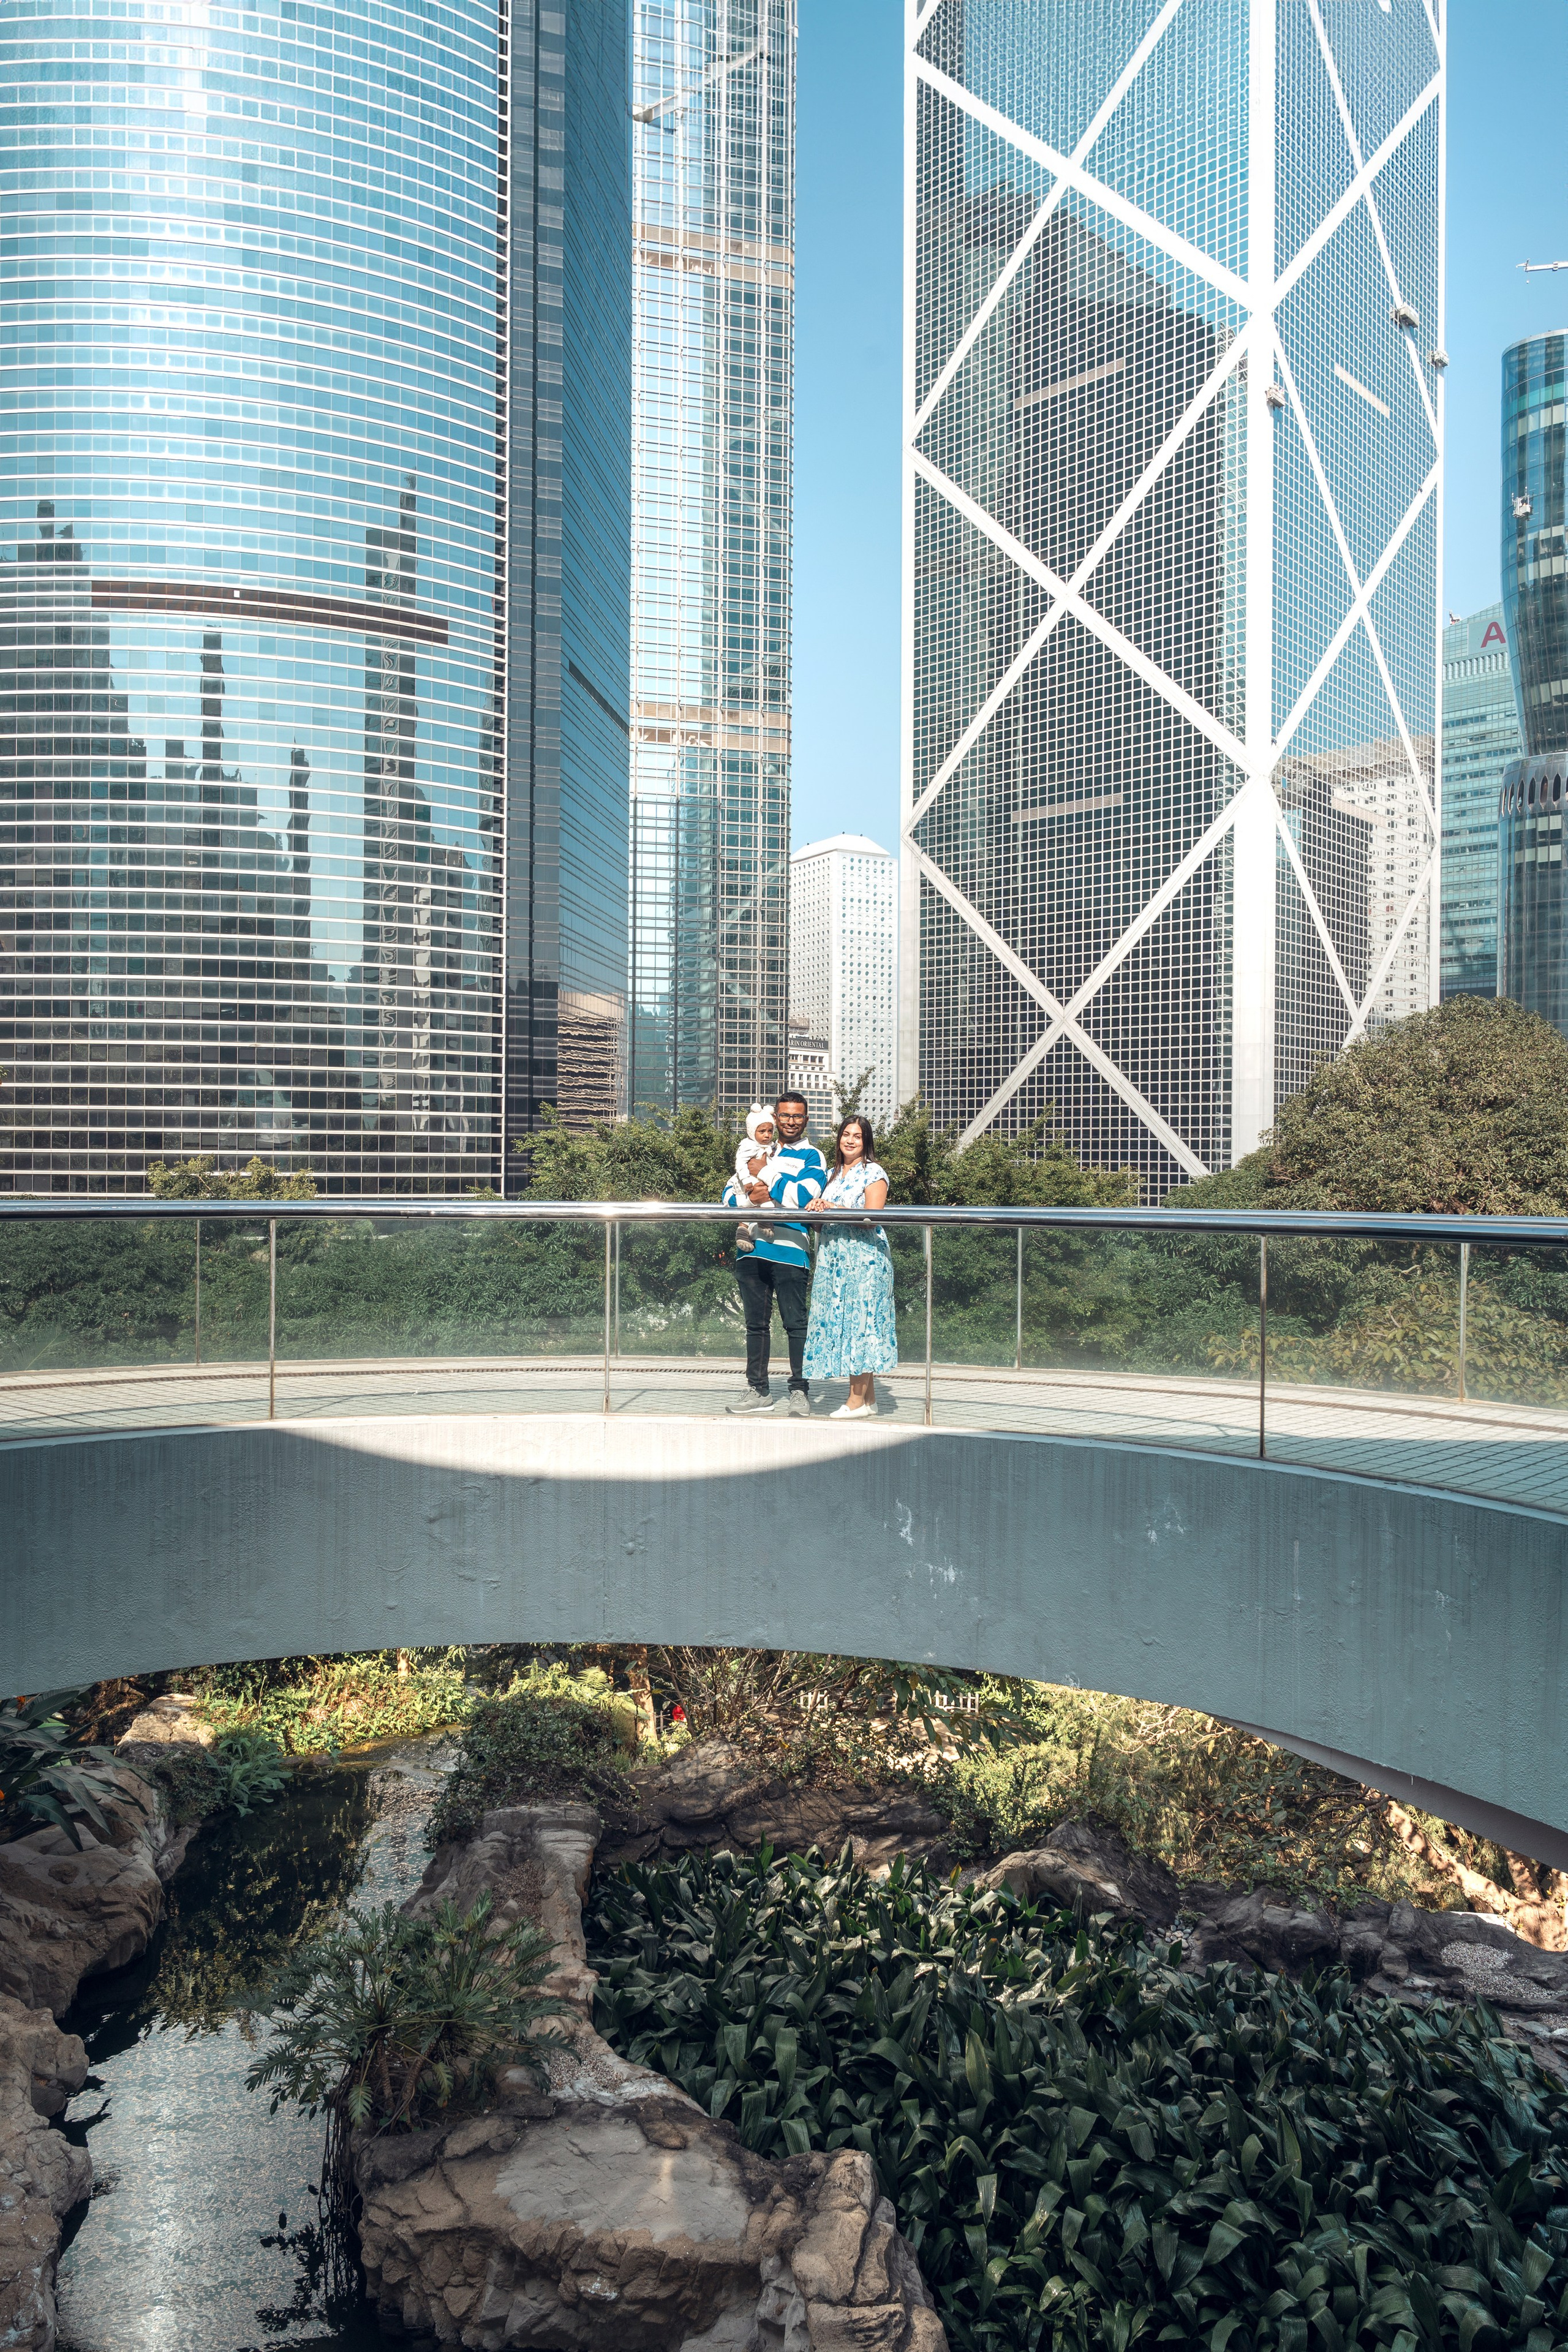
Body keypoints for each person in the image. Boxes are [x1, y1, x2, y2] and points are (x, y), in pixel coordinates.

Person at [725, 1091, 826, 1416]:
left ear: (806, 1119)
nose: (791, 1122)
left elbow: (803, 1196)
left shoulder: (813, 1156)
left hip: (791, 1250)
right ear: (776, 1117)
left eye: (797, 1116)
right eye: (785, 1116)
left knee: (796, 1324)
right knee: (755, 1325)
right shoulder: (755, 1145)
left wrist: (766, 1174)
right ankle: (758, 1390)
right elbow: (730, 1193)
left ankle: (799, 1390)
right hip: (752, 1247)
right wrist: (754, 1198)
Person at [803, 1115, 897, 1420]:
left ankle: (855, 1401)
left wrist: (834, 1207)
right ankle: (868, 1399)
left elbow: (872, 1219)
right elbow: (823, 1225)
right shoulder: (832, 1174)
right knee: (847, 1323)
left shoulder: (874, 1172)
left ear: (866, 1141)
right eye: (846, 1134)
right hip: (834, 1261)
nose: (850, 1140)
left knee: (863, 1325)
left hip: (865, 1261)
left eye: (857, 1136)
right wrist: (816, 1210)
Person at [726, 1104, 778, 1257]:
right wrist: (746, 1180)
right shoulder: (748, 1146)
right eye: (762, 1131)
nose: (767, 1135)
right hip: (747, 1182)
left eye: (770, 1131)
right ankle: (743, 1229)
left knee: (768, 1202)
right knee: (744, 1204)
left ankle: (764, 1220)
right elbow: (740, 1163)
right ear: (752, 1131)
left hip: (762, 1181)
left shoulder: (771, 1146)